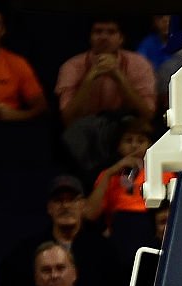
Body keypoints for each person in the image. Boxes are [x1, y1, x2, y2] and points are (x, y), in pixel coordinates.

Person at [0, 174, 122, 286]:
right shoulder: (27, 251)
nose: (65, 206)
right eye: (58, 200)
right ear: (49, 208)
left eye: (72, 200)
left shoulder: (103, 249)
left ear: (83, 205)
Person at [55, 18, 156, 180]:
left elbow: (147, 114)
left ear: (121, 38)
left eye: (111, 32)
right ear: (90, 37)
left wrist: (118, 76)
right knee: (71, 135)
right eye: (98, 32)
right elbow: (68, 119)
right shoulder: (72, 66)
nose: (104, 37)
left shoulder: (139, 64)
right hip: (86, 128)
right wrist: (90, 77)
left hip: (126, 125)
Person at [83, 117, 175, 230]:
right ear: (119, 146)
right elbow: (90, 214)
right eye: (128, 140)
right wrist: (109, 173)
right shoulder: (108, 175)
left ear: (149, 145)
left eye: (141, 141)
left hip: (151, 228)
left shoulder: (164, 172)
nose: (134, 145)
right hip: (119, 230)